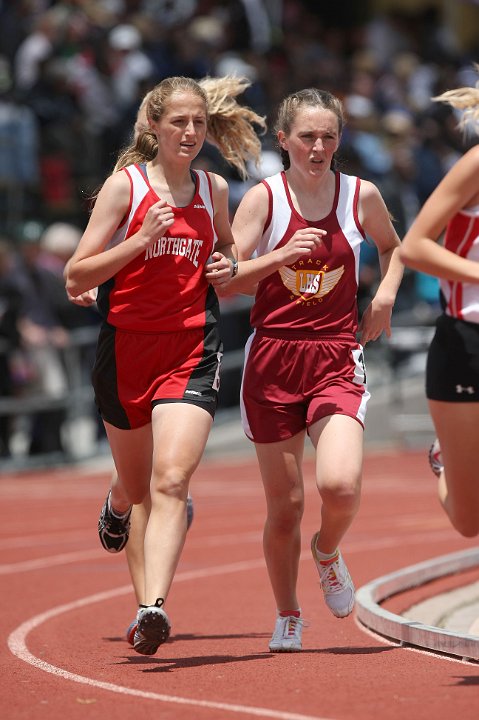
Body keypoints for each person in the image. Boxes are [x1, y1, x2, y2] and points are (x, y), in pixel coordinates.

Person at [65, 75, 265, 656]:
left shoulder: (213, 190)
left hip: (190, 347)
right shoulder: (124, 189)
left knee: (171, 480)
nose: (190, 131)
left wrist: (227, 267)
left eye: (199, 122)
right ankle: (117, 502)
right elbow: (76, 275)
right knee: (139, 486)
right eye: (178, 121)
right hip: (126, 350)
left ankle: (151, 608)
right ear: (153, 126)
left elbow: (226, 251)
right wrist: (138, 240)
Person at [220, 87, 403, 652]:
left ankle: (327, 551)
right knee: (286, 507)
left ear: (340, 140)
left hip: (334, 355)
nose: (318, 147)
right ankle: (288, 612)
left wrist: (384, 299)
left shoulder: (360, 195)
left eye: (328, 136)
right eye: (307, 136)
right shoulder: (264, 200)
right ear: (284, 140)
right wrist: (279, 255)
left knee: (340, 485)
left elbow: (394, 248)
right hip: (273, 358)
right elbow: (229, 280)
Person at [400, 69, 479, 542]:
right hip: (465, 343)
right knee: (470, 521)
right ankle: (446, 458)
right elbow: (414, 247)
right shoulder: (475, 164)